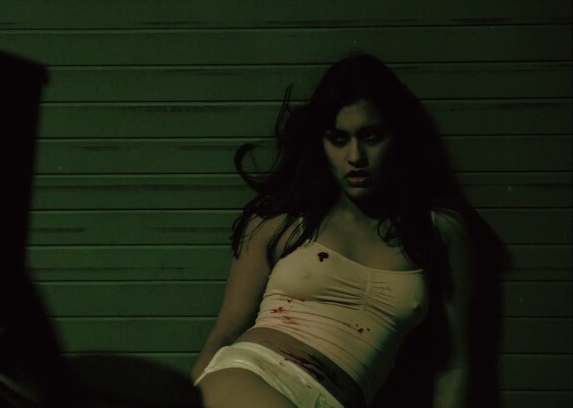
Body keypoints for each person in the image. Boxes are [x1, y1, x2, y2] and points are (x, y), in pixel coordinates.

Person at [191, 53, 504, 408]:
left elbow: (453, 365)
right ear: (321, 144)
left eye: (370, 136)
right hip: (251, 377)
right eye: (338, 139)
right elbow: (226, 332)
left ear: (397, 136)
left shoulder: (439, 232)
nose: (355, 156)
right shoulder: (282, 222)